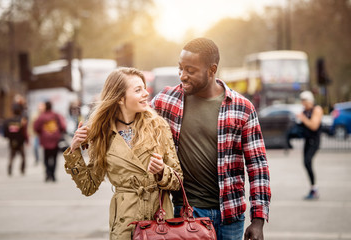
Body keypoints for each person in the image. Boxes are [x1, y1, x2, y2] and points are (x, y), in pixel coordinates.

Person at [151, 38, 271, 240]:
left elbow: (257, 166)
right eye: (180, 68)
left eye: (190, 70)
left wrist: (258, 220)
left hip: (230, 217)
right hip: (187, 213)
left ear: (211, 70)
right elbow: (133, 120)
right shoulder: (166, 101)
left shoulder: (242, 108)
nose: (183, 76)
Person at [63, 67, 183, 239]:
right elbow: (88, 186)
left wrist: (162, 171)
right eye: (138, 90)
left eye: (144, 88)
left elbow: (178, 180)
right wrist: (74, 151)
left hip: (160, 223)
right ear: (120, 98)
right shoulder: (101, 134)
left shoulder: (158, 126)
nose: (146, 94)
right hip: (125, 225)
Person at [297, 90, 323, 200]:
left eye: (304, 102)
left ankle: (314, 189)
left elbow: (314, 126)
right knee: (306, 163)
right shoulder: (305, 111)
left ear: (309, 101)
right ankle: (313, 188)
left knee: (308, 161)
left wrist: (303, 118)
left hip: (314, 141)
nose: (303, 104)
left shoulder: (317, 109)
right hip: (307, 140)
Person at [34, 101, 66, 182]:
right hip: (55, 139)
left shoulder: (41, 117)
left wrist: (41, 133)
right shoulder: (56, 115)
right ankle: (53, 174)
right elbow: (63, 126)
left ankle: (48, 173)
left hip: (45, 140)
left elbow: (36, 127)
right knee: (54, 158)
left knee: (46, 158)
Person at [3, 104, 28, 176]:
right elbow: (24, 131)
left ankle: (10, 168)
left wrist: (8, 137)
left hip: (12, 140)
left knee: (12, 155)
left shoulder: (8, 120)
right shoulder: (22, 120)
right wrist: (26, 139)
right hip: (20, 141)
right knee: (23, 157)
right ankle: (22, 169)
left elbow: (5, 130)